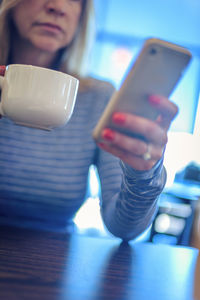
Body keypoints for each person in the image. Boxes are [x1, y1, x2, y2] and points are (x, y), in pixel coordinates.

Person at [0, 0, 178, 241]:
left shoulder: (98, 97)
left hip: (54, 259)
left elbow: (124, 228)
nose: (58, 7)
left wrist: (143, 174)